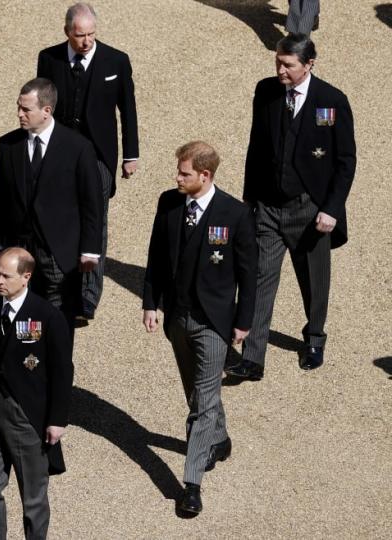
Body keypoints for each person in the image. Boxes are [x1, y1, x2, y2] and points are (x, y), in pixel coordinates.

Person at [227, 33, 356, 381]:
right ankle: (252, 358)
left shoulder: (331, 100)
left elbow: (345, 162)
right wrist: (249, 197)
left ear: (309, 64)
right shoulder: (265, 91)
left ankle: (314, 339)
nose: (281, 70)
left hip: (310, 210)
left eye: (288, 65)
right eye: (278, 62)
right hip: (268, 207)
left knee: (313, 281)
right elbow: (257, 145)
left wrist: (330, 208)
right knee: (259, 278)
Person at [142, 142, 257, 515]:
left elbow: (247, 275)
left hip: (215, 322)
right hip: (177, 317)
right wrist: (150, 302)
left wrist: (243, 322)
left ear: (204, 176)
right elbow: (156, 256)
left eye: (184, 173)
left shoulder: (235, 213)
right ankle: (219, 440)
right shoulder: (169, 203)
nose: (177, 177)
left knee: (203, 403)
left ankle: (191, 484)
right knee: (196, 391)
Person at [36, 2, 139, 322]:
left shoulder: (116, 61)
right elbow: (41, 106)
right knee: (60, 219)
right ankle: (59, 285)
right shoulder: (48, 58)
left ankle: (87, 297)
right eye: (80, 35)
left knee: (95, 223)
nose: (87, 41)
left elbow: (128, 110)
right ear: (67, 32)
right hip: (59, 156)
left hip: (98, 158)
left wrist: (130, 155)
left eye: (91, 34)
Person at [0, 77, 103, 339]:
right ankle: (29, 368)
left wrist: (90, 250)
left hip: (59, 254)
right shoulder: (8, 145)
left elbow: (91, 204)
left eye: (26, 109)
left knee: (59, 320)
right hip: (20, 248)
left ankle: (57, 373)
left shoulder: (78, 148)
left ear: (46, 111)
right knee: (24, 315)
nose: (19, 114)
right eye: (19, 107)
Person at [0, 247, 73, 539]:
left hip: (26, 415)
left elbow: (62, 370)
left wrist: (57, 420)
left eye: (6, 275)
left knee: (32, 498)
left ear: (26, 277)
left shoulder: (47, 316)